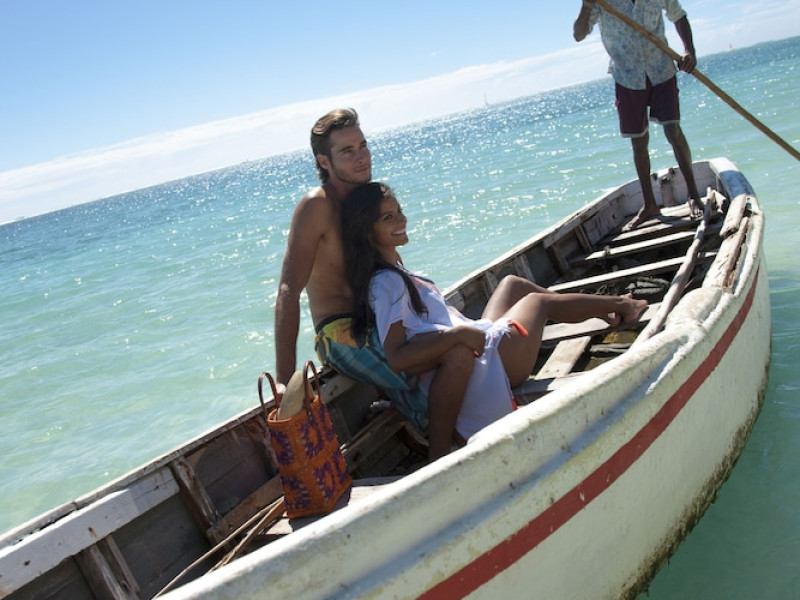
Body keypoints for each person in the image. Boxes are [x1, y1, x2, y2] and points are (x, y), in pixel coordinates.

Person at [341, 182, 649, 443]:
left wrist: (462, 332)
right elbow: (397, 356)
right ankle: (621, 306)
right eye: (388, 217)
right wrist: (459, 335)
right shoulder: (386, 283)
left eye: (399, 211)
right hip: (490, 365)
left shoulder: (393, 269)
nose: (401, 219)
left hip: (479, 341)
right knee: (539, 303)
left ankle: (597, 309)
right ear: (368, 232)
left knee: (513, 284)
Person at [274, 108, 474, 460]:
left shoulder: (367, 198)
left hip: (381, 319)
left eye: (363, 146)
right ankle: (439, 454)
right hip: (341, 333)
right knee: (451, 355)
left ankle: (422, 413)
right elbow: (289, 290)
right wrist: (285, 380)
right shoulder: (316, 206)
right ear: (324, 161)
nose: (362, 157)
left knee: (468, 339)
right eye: (347, 151)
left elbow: (390, 266)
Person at [573, 0, 704, 230]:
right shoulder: (601, 2)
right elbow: (579, 35)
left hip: (661, 68)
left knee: (673, 130)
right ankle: (650, 205)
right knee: (639, 142)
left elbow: (678, 16)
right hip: (627, 75)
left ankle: (694, 195)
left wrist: (689, 51)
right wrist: (586, 6)